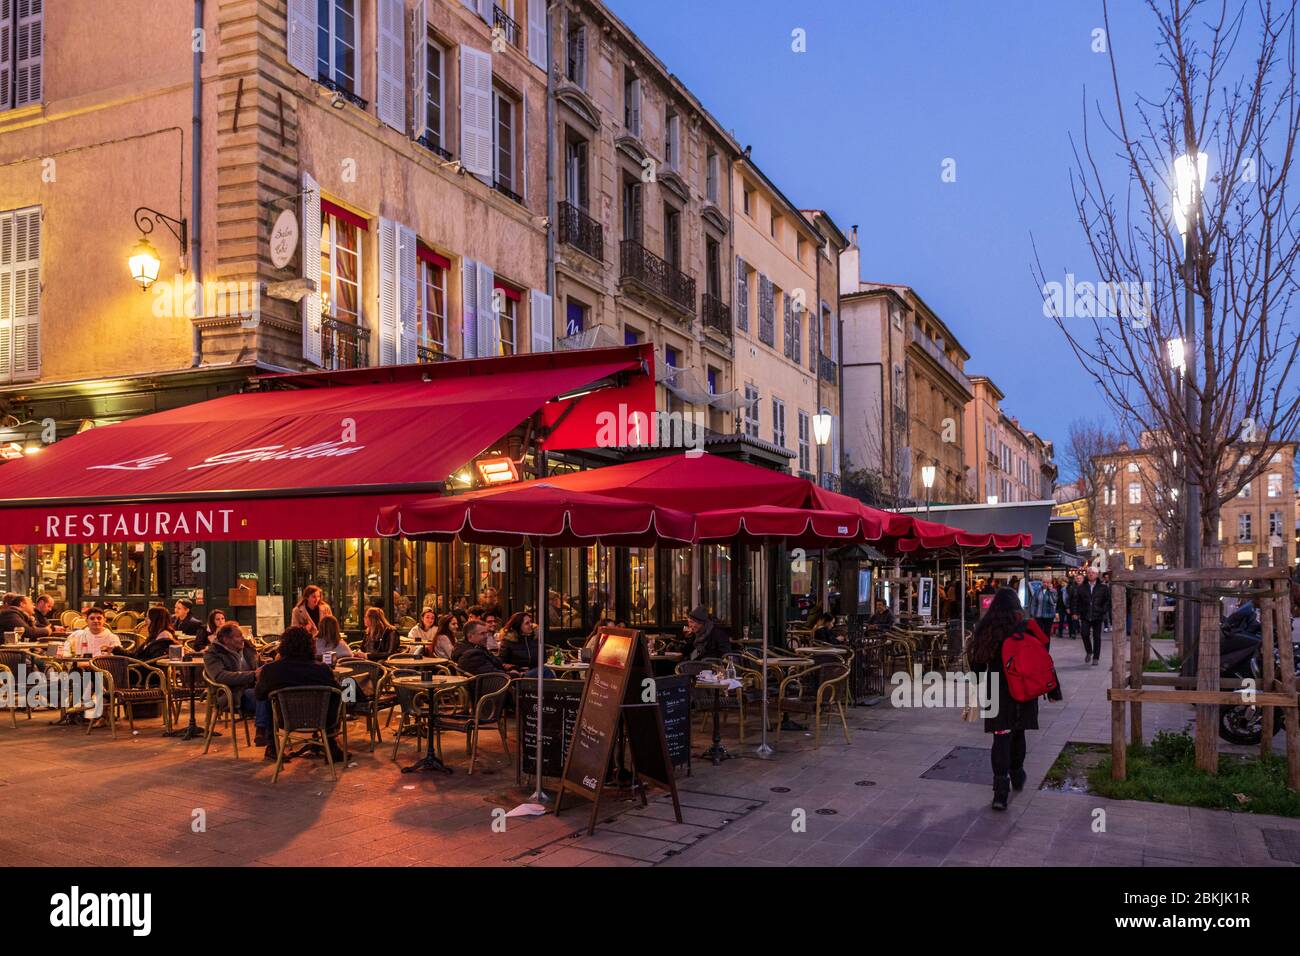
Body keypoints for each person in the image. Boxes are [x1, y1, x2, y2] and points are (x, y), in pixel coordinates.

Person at [966, 588, 1049, 811]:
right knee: (1019, 732)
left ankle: (1000, 793)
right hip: (1023, 689)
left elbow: (976, 665)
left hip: (997, 691)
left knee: (1001, 738)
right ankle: (1017, 772)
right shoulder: (1026, 626)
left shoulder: (986, 628)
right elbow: (1044, 650)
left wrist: (974, 687)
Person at [255, 625, 344, 762]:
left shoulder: (271, 670)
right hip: (322, 719)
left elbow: (259, 695)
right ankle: (331, 744)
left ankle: (273, 746)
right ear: (310, 645)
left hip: (285, 720)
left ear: (283, 645)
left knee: (268, 698)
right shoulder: (322, 669)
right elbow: (338, 694)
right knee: (338, 694)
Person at [203, 621, 272, 748]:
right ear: (226, 639)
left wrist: (269, 665)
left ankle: (268, 738)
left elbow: (258, 664)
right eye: (239, 636)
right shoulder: (213, 654)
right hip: (232, 694)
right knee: (265, 695)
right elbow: (220, 676)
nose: (243, 639)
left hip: (253, 689)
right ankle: (264, 734)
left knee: (276, 696)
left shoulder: (247, 649)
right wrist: (252, 675)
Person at [1072, 566, 1112, 665]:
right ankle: (1089, 651)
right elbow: (1076, 600)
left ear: (1097, 575)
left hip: (1097, 615)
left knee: (1096, 637)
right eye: (1089, 572)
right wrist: (1075, 612)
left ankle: (1096, 657)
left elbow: (1107, 601)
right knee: (1084, 634)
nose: (1090, 574)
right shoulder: (1082, 587)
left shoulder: (1103, 587)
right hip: (1085, 614)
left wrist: (1103, 610)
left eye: (1093, 573)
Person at [1027, 579, 1056, 647]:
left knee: (1047, 633)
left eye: (1047, 582)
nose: (1045, 584)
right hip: (1038, 615)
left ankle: (1046, 649)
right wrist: (1032, 613)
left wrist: (1051, 591)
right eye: (1044, 582)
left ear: (1050, 583)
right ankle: (1041, 647)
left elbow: (1053, 601)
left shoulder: (1053, 591)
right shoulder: (1037, 591)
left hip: (1049, 615)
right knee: (1039, 632)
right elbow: (1033, 602)